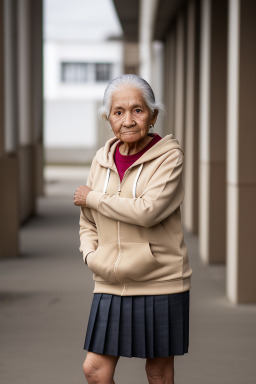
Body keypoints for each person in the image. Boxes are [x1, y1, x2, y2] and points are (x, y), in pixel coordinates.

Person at [74, 74, 193, 384]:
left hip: (160, 280)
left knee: (158, 373)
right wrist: (90, 255)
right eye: (118, 112)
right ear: (107, 118)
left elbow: (148, 211)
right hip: (110, 280)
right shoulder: (101, 160)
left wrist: (94, 197)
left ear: (153, 115)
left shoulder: (169, 158)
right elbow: (87, 221)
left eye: (138, 110)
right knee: (95, 370)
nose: (128, 120)